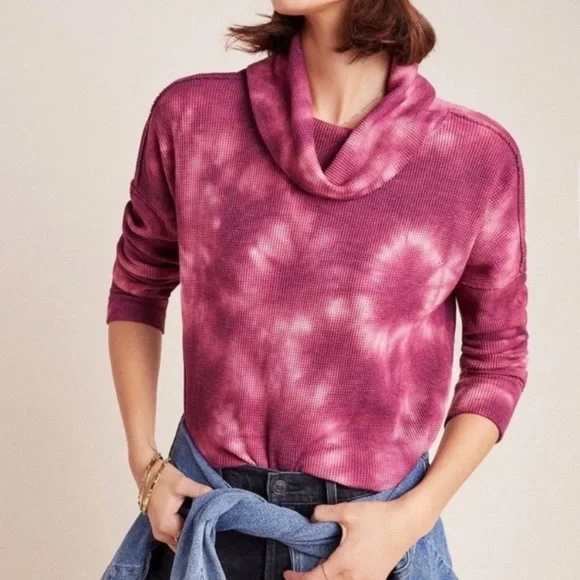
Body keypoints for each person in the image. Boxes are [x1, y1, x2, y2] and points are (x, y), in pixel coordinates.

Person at [105, 1, 529, 579]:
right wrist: (144, 463)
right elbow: (138, 286)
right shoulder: (193, 117)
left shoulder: (475, 157)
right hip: (207, 522)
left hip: (377, 541)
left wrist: (412, 518)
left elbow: (498, 360)